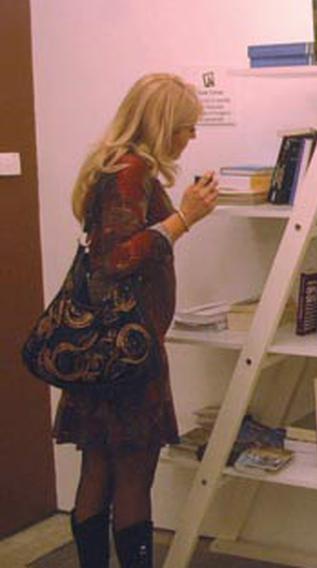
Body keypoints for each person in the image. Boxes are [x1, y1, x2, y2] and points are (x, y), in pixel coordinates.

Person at [53, 73, 218, 567]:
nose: (191, 138)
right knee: (131, 475)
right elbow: (113, 258)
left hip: (105, 351)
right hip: (128, 354)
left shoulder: (117, 168)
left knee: (99, 469)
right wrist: (182, 218)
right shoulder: (130, 172)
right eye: (186, 128)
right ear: (163, 125)